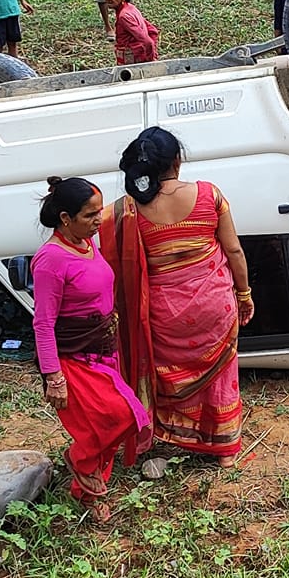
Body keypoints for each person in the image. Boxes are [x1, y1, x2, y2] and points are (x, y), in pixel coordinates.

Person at [104, 128, 251, 459]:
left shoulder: (127, 211)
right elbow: (235, 252)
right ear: (177, 161)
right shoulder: (209, 195)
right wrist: (244, 295)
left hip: (163, 315)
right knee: (222, 373)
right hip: (215, 305)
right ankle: (225, 449)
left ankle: (174, 436)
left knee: (171, 375)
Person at [33, 177, 151, 520]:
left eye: (99, 211)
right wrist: (53, 376)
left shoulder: (88, 244)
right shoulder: (51, 261)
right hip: (73, 358)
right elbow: (42, 323)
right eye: (90, 215)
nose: (99, 220)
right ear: (66, 218)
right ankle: (83, 466)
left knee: (117, 421)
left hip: (103, 351)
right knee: (119, 417)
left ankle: (87, 491)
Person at [101, 0, 160, 65]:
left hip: (133, 63)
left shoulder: (124, 17)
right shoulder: (131, 8)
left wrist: (150, 62)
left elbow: (147, 41)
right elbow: (152, 30)